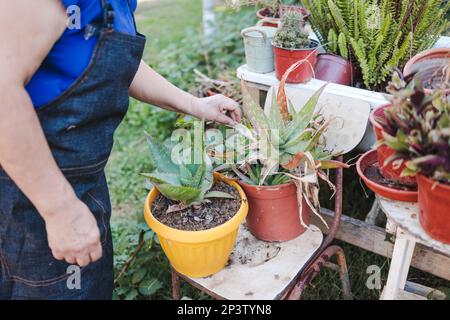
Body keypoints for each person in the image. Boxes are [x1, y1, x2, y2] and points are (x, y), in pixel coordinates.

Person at [0, 0, 241, 299]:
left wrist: (194, 104)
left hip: (81, 182)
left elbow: (106, 58)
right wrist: (59, 210)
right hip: (28, 194)